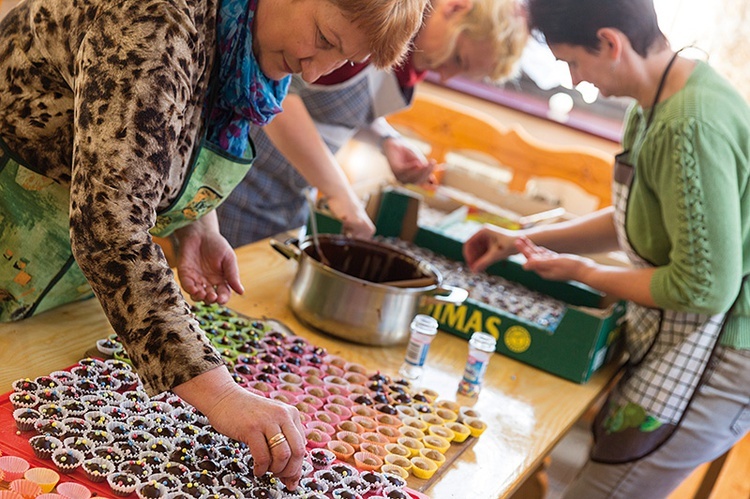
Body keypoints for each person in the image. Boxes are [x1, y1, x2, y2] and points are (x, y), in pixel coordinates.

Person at [0, 0, 426, 489]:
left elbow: (157, 136)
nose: (314, 70)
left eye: (342, 59)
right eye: (325, 39)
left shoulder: (240, 43)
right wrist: (221, 395)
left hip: (45, 283)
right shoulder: (156, 20)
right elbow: (108, 227)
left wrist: (195, 222)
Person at [463, 0, 750, 497]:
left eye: (574, 63)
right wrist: (523, 240)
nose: (575, 80)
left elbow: (703, 286)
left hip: (725, 352)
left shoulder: (689, 125)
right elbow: (633, 218)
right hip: (691, 334)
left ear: (610, 43)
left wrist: (584, 272)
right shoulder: (660, 99)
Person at [217, 0, 528, 247]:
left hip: (285, 201)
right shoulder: (361, 21)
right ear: (456, 7)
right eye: (458, 59)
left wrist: (385, 140)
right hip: (238, 189)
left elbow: (333, 108)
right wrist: (340, 192)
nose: (446, 76)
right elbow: (279, 98)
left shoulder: (395, 57)